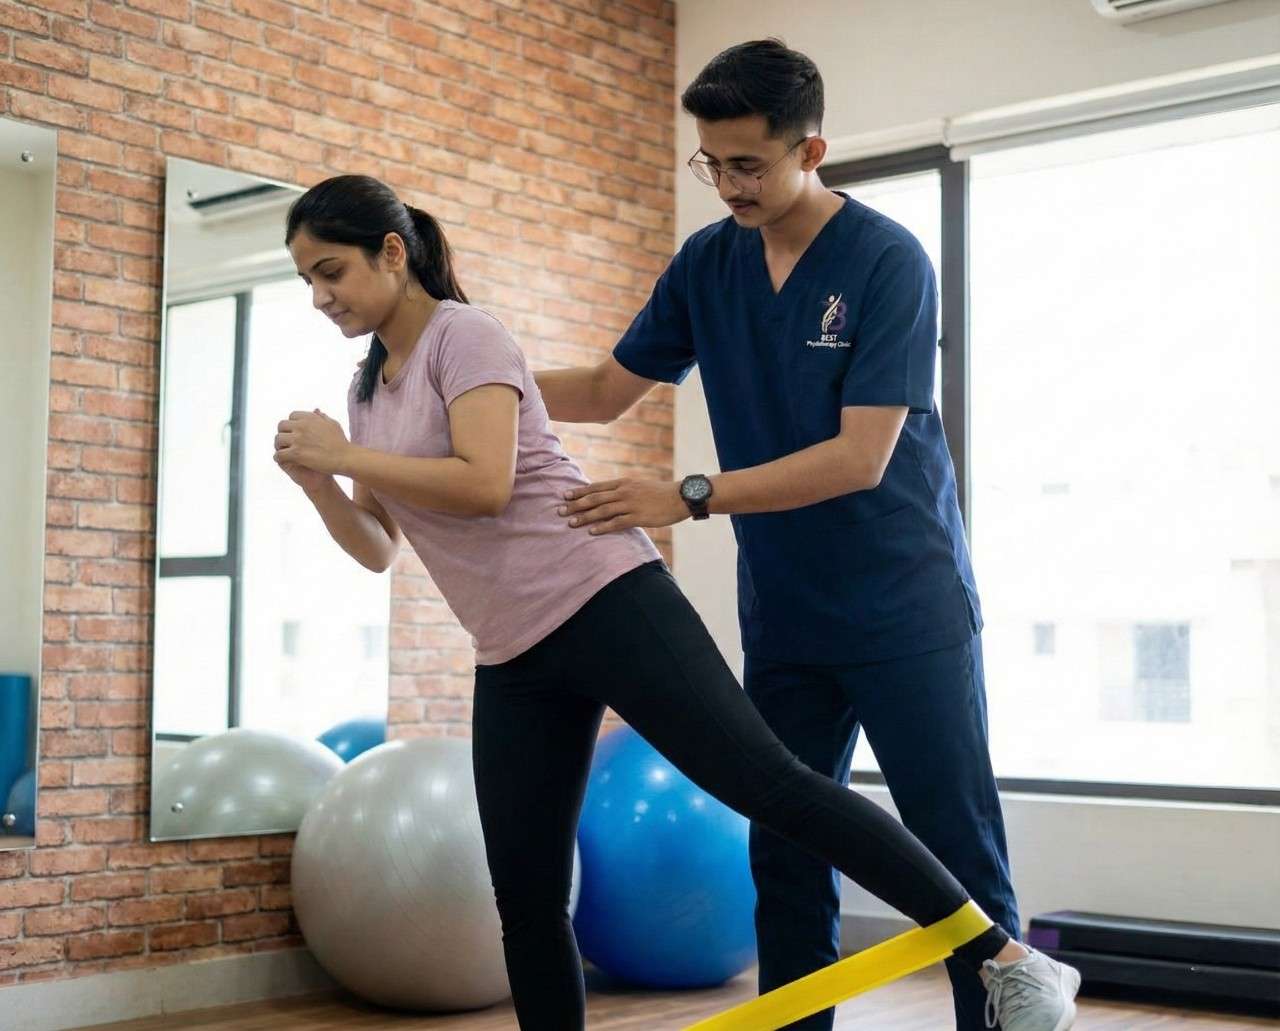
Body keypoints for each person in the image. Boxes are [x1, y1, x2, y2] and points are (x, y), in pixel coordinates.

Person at [274, 173, 1079, 1031]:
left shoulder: (465, 338)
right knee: (526, 892)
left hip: (602, 596)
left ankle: (1008, 958)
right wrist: (321, 481)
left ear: (392, 254)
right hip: (510, 647)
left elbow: (484, 484)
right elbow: (378, 545)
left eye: (332, 271)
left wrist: (347, 458)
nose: (321, 296)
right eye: (307, 279)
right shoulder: (368, 392)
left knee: (770, 784)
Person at [534, 38, 1079, 1031]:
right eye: (711, 163)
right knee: (784, 854)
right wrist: (473, 379)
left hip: (905, 604)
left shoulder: (886, 261)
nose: (727, 185)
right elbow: (609, 389)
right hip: (786, 615)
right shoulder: (708, 263)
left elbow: (859, 457)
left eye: (748, 163)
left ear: (810, 150)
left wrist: (688, 493)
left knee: (956, 851)